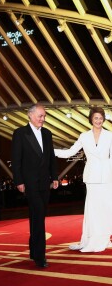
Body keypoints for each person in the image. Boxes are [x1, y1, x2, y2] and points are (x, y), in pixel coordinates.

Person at [54, 106, 112, 252]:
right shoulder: (84, 136)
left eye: (100, 118)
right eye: (96, 118)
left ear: (103, 119)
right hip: (92, 177)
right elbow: (69, 152)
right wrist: (50, 150)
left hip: (107, 177)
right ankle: (92, 238)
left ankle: (104, 238)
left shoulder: (110, 135)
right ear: (91, 120)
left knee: (105, 208)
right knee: (92, 209)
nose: (98, 120)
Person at [11, 103, 59, 268]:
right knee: (38, 215)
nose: (43, 119)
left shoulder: (47, 133)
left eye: (44, 116)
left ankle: (33, 250)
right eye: (40, 116)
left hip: (45, 182)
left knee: (37, 216)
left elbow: (51, 157)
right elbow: (16, 160)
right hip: (30, 183)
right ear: (30, 116)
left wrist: (55, 177)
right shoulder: (20, 133)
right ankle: (40, 256)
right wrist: (18, 181)